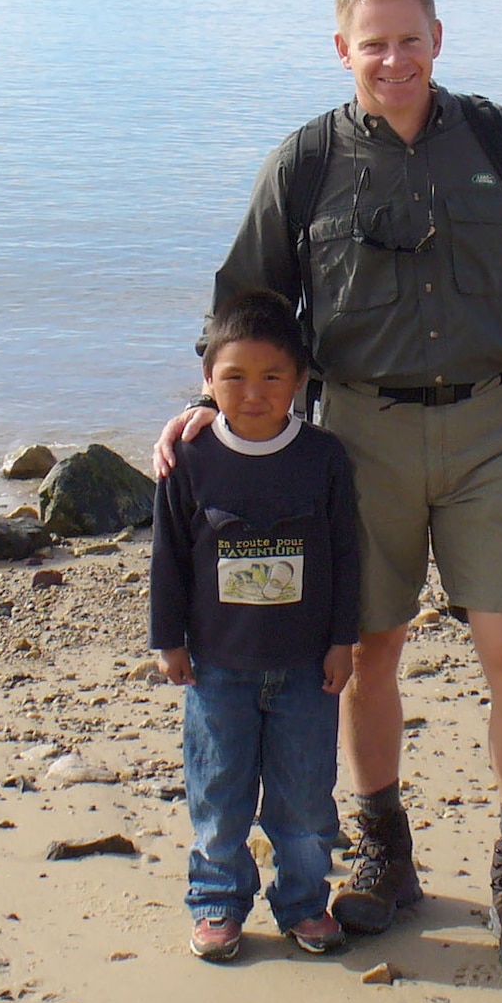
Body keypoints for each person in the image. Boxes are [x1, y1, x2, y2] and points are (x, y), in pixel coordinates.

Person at [154, 0, 502, 970]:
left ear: (437, 39)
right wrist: (204, 404)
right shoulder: (307, 160)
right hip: (356, 439)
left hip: (492, 426)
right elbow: (248, 301)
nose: (393, 60)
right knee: (365, 657)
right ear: (342, 50)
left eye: (409, 40)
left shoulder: (500, 141)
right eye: (374, 43)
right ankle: (381, 853)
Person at [149, 290, 359, 963]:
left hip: (305, 668)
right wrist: (169, 640)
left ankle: (302, 901)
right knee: (219, 794)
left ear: (299, 381)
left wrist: (341, 641)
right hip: (217, 667)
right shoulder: (191, 459)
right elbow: (168, 559)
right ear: (208, 382)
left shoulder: (323, 457)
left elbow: (346, 555)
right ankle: (216, 903)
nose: (254, 392)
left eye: (273, 377)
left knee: (303, 801)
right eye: (233, 376)